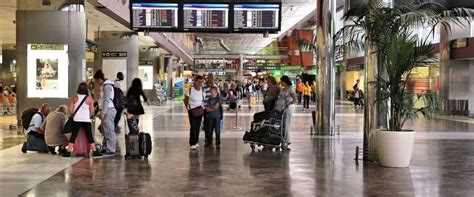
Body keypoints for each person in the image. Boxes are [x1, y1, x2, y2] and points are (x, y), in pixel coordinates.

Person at [63, 82, 102, 157]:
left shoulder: (74, 98)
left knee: (73, 135)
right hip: (86, 120)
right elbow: (92, 111)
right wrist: (88, 116)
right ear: (86, 89)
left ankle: (68, 152)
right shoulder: (89, 99)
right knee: (89, 136)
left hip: (76, 119)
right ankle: (95, 151)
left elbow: (70, 110)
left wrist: (74, 114)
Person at [94, 70, 116, 157]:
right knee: (105, 129)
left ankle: (111, 149)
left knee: (109, 129)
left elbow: (106, 100)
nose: (96, 83)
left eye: (96, 81)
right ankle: (106, 147)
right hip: (106, 109)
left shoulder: (107, 86)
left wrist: (103, 112)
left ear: (100, 79)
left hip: (108, 110)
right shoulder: (104, 86)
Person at [274, 76, 297, 150]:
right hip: (278, 109)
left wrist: (287, 104)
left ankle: (286, 140)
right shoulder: (282, 89)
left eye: (282, 81)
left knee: (286, 125)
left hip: (286, 110)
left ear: (285, 81)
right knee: (279, 124)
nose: (281, 83)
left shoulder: (291, 89)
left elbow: (294, 100)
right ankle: (279, 139)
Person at [184, 75, 205, 150]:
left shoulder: (202, 90)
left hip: (199, 110)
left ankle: (196, 141)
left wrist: (203, 108)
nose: (200, 84)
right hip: (192, 110)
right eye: (199, 82)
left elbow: (203, 100)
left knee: (198, 126)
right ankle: (192, 142)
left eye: (201, 82)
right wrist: (188, 108)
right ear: (195, 82)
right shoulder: (190, 90)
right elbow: (185, 99)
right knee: (193, 126)